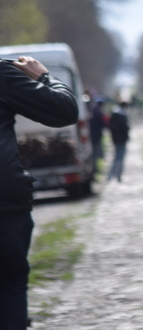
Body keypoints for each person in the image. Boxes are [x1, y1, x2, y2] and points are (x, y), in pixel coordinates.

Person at [0, 55, 79, 329]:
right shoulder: (2, 74)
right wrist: (44, 77)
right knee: (9, 285)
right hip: (5, 203)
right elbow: (65, 110)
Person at [106, 101, 130, 182]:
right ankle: (118, 175)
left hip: (115, 140)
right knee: (120, 158)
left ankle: (110, 175)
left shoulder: (114, 115)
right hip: (122, 140)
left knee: (115, 158)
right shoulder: (123, 116)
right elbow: (125, 128)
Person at [88, 97, 106, 177]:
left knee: (94, 153)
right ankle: (95, 169)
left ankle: (94, 168)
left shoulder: (92, 111)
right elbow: (103, 124)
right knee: (95, 153)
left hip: (91, 135)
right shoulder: (99, 113)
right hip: (96, 136)